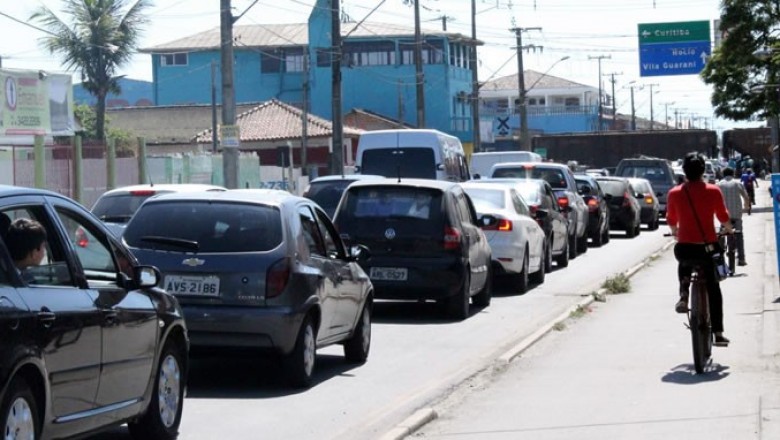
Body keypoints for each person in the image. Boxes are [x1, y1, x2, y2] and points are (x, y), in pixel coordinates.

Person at [667, 152, 733, 347]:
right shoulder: (713, 191)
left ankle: (684, 293)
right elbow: (723, 217)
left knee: (683, 263)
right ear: (703, 171)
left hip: (685, 248)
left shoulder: (675, 193)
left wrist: (675, 231)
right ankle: (719, 333)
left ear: (684, 172)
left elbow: (671, 220)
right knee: (714, 287)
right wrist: (729, 229)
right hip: (708, 248)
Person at [717, 167, 751, 270]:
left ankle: (720, 258)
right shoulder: (737, 183)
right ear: (733, 173)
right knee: (739, 235)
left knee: (721, 236)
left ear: (723, 174)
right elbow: (745, 196)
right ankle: (741, 258)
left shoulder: (718, 185)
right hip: (736, 215)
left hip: (723, 216)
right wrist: (746, 206)